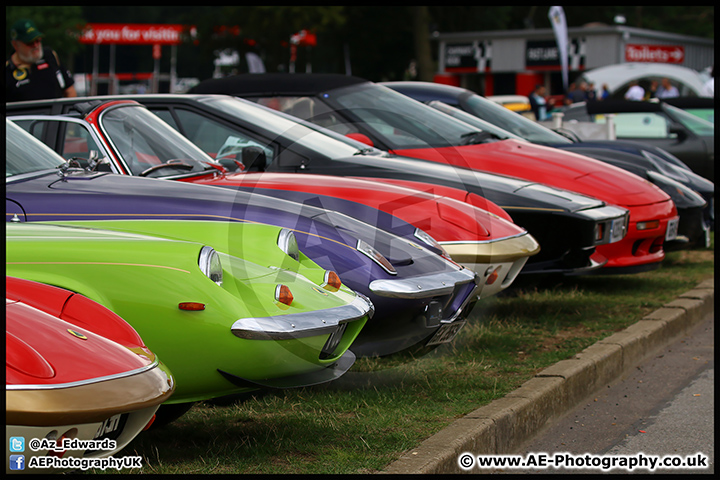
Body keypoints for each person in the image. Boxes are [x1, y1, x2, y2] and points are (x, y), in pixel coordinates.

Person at [6, 19, 77, 102]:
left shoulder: (50, 55)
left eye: (38, 40)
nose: (35, 45)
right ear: (15, 45)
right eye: (30, 43)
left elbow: (70, 91)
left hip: (55, 113)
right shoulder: (8, 71)